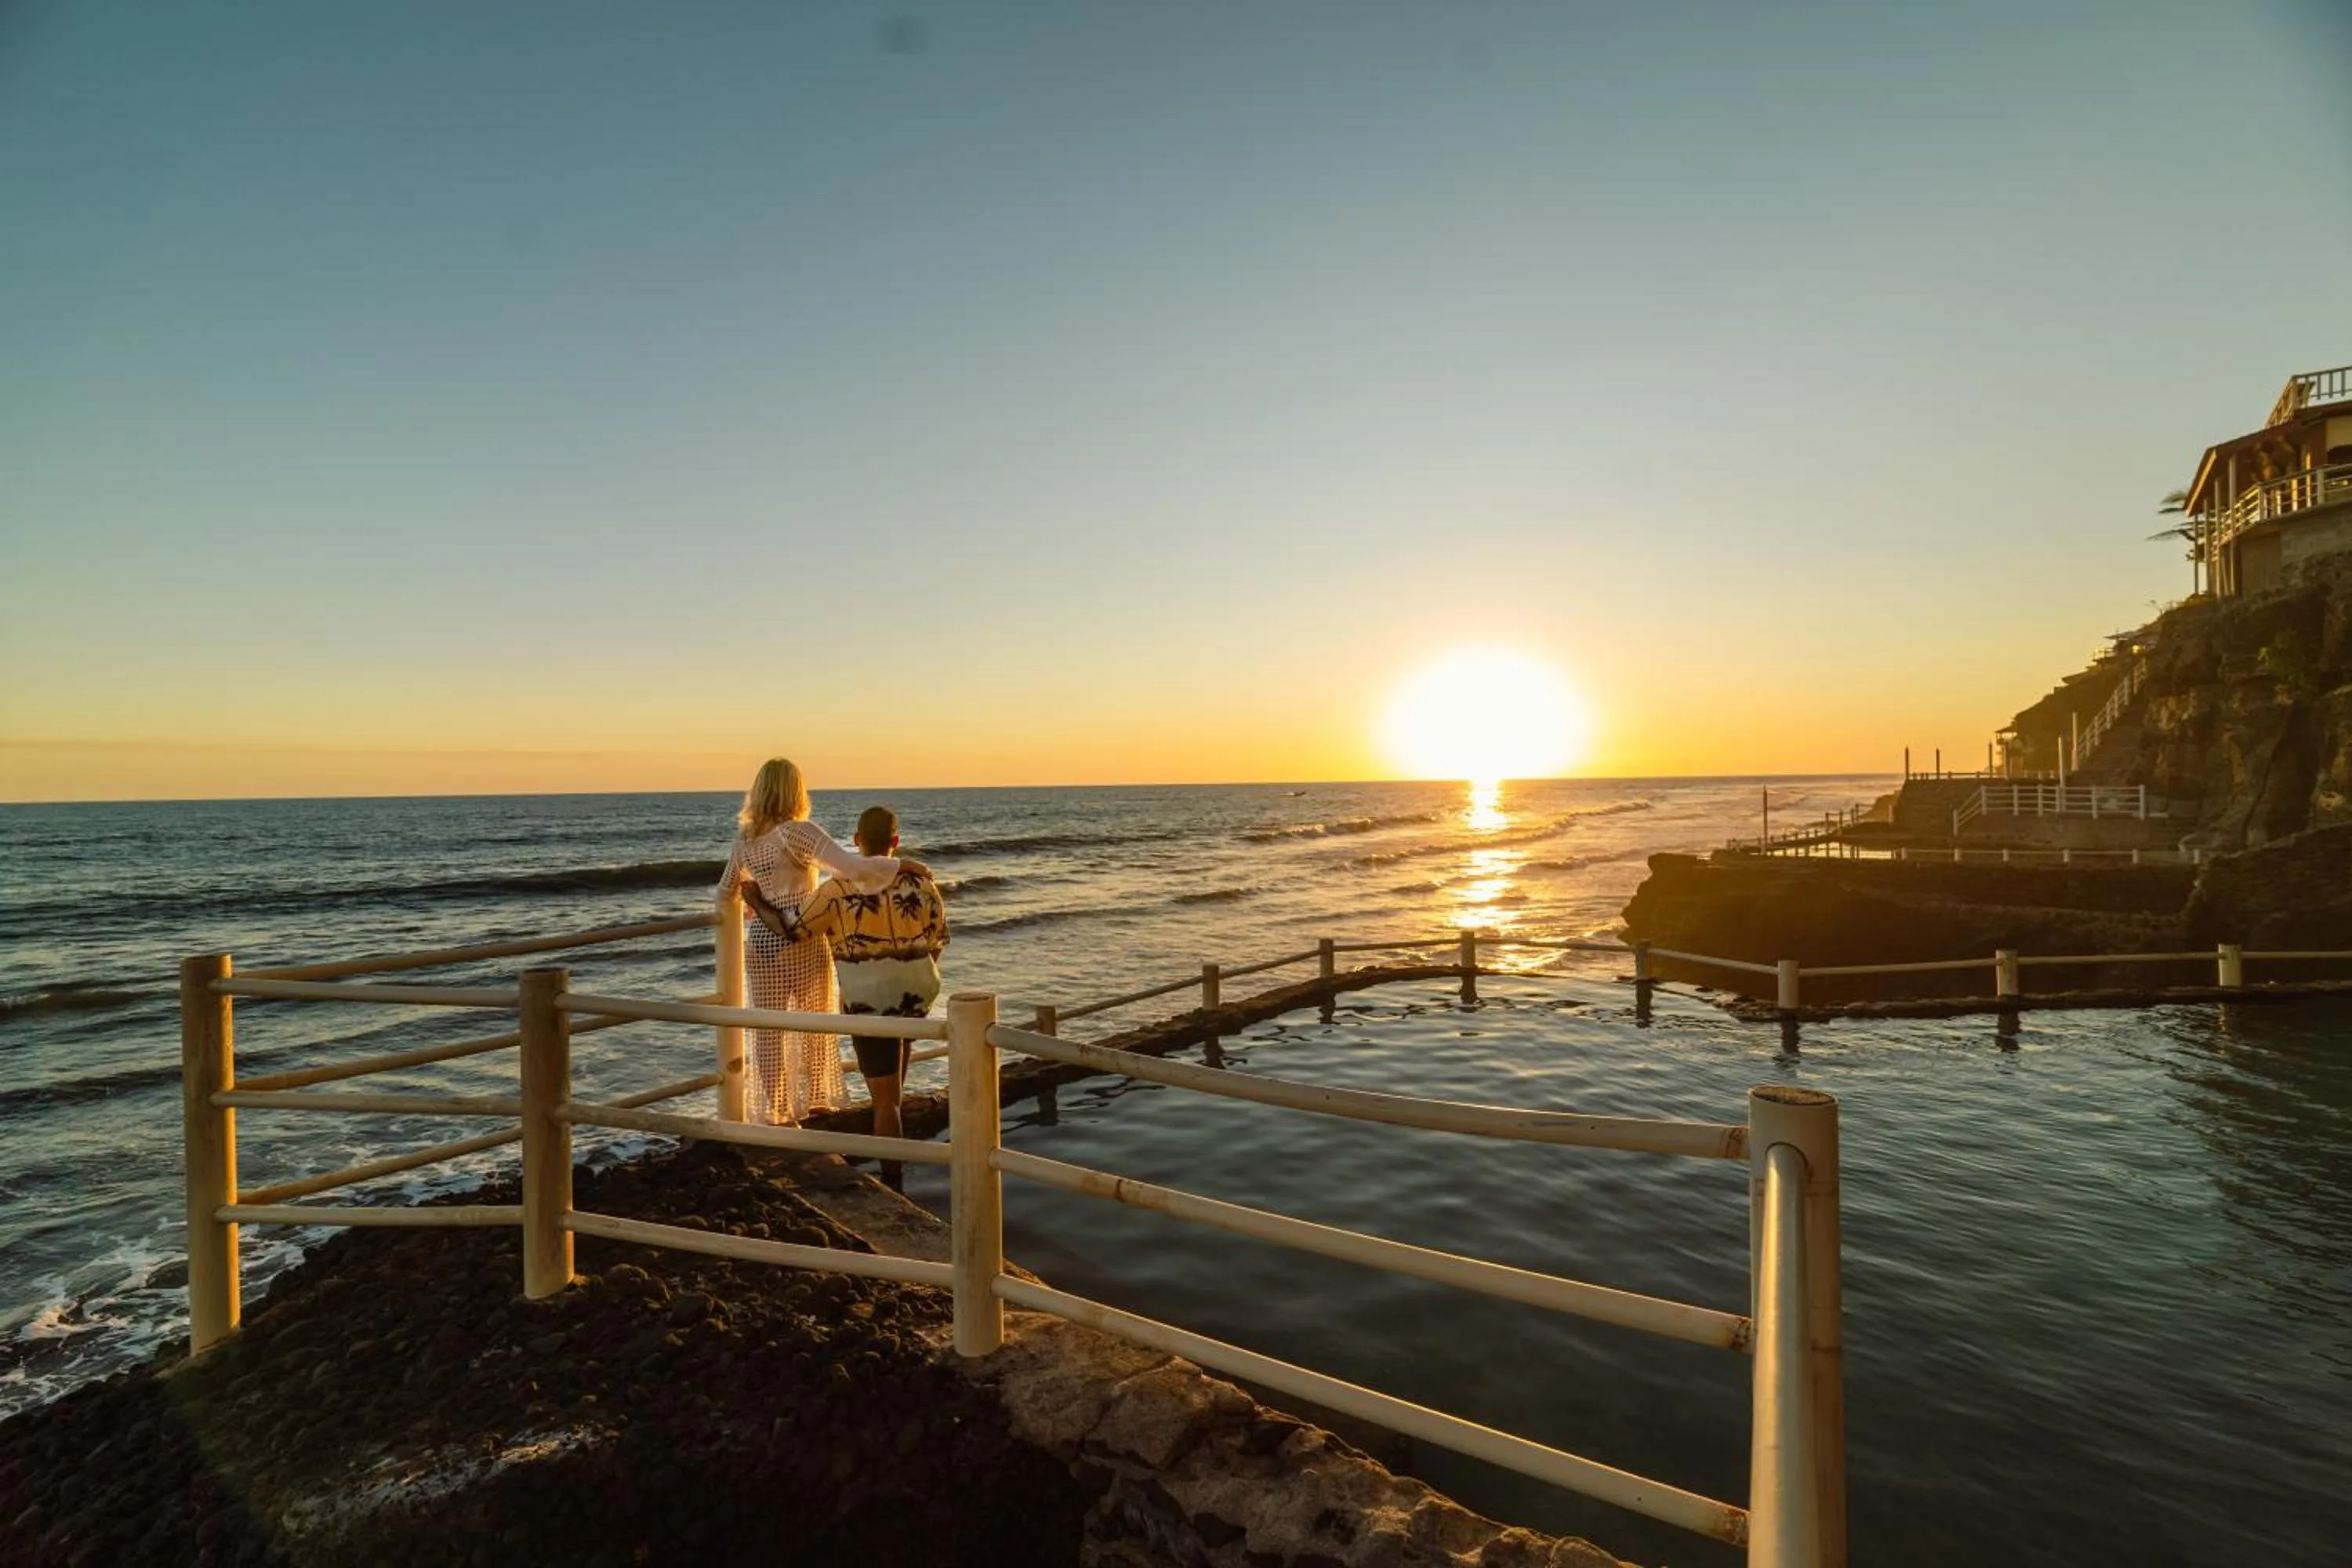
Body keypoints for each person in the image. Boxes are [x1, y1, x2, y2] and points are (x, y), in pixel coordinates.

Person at [742, 804, 949, 1189]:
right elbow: (939, 938)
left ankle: (894, 1184)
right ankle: (896, 1161)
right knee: (894, 1093)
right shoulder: (921, 884)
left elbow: (792, 929)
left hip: (868, 1005)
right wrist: (911, 971)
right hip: (914, 998)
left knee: (885, 1102)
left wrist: (755, 901)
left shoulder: (836, 889)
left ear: (855, 841)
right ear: (896, 841)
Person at [714, 759, 925, 1126]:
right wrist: (902, 864)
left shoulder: (745, 843)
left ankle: (777, 1114)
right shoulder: (798, 832)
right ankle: (815, 1103)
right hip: (805, 936)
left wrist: (750, 907)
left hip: (762, 941)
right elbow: (853, 868)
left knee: (768, 1029)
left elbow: (723, 893)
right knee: (815, 1021)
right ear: (796, 791)